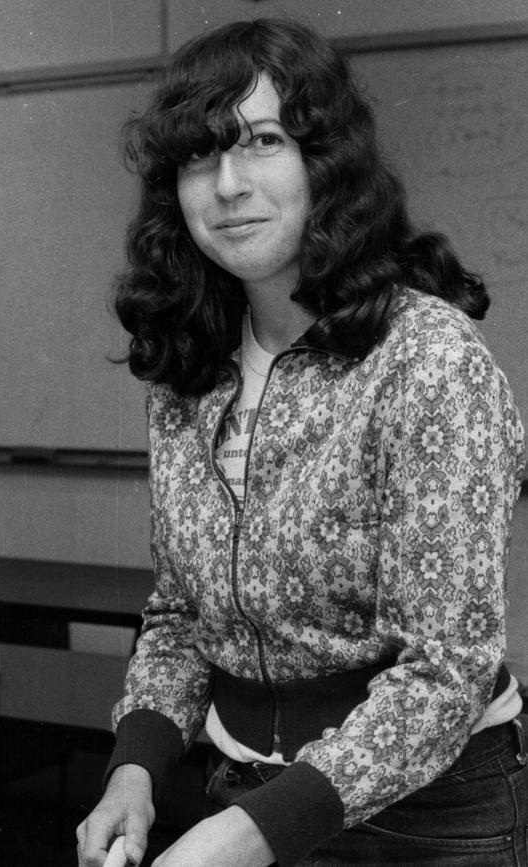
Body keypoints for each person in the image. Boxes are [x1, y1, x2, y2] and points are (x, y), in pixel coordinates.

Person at [77, 17, 527, 867]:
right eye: (200, 158)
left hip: (428, 820)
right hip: (242, 793)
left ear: (324, 164)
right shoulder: (191, 368)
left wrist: (251, 834)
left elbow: (449, 667)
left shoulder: (427, 360)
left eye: (264, 142)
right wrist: (132, 771)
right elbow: (181, 614)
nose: (229, 184)